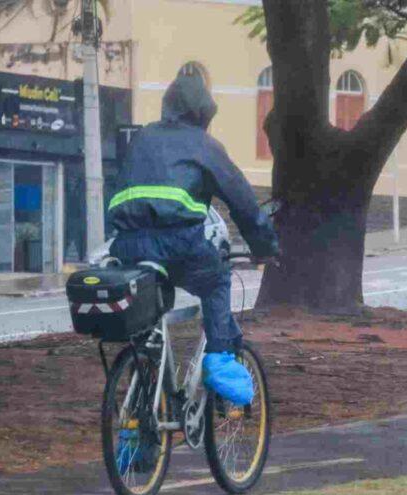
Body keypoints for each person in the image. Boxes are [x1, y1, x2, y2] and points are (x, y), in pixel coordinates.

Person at [107, 72, 279, 408]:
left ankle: (142, 427)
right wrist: (264, 248)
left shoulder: (143, 138)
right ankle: (219, 360)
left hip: (126, 244)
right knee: (216, 282)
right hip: (177, 243)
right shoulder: (204, 146)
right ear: (204, 113)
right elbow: (242, 201)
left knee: (149, 321)